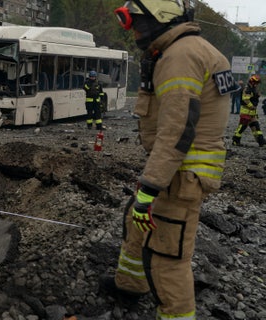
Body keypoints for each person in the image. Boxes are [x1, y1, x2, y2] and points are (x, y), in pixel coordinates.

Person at [104, 1, 233, 319]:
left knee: (166, 257)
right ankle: (130, 286)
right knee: (136, 225)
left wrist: (149, 187)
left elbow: (177, 132)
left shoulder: (180, 57)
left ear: (159, 17)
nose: (132, 29)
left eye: (135, 21)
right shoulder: (186, 49)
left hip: (180, 175)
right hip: (173, 170)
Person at [231, 75, 264, 147]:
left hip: (252, 113)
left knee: (256, 127)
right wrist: (251, 106)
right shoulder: (247, 89)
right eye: (256, 83)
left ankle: (261, 141)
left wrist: (257, 95)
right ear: (252, 82)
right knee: (242, 127)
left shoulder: (253, 89)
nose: (257, 85)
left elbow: (253, 98)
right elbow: (245, 99)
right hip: (246, 112)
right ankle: (235, 141)